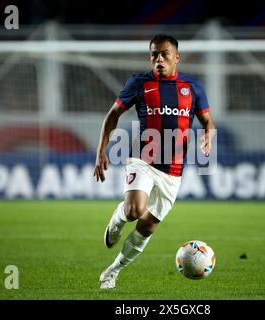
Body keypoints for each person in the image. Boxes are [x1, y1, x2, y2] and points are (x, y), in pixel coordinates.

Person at [93, 34, 216, 289]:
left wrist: (208, 136)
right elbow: (113, 114)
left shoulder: (192, 88)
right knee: (134, 210)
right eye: (154, 55)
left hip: (173, 172)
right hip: (143, 161)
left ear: (177, 57)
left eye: (164, 54)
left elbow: (208, 121)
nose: (159, 59)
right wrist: (101, 150)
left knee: (146, 227)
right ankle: (116, 221)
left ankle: (112, 271)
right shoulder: (139, 83)